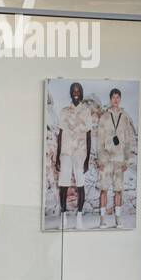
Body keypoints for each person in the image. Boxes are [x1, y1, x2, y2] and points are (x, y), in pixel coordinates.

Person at [93, 87, 137, 228]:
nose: (116, 100)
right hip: (106, 158)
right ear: (110, 99)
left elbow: (129, 140)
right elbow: (99, 139)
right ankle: (102, 220)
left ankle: (118, 220)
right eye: (113, 97)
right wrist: (99, 159)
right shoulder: (104, 117)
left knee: (118, 190)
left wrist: (126, 160)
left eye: (118, 97)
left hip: (119, 159)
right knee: (104, 189)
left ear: (120, 99)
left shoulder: (125, 117)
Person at [55, 81, 94, 230]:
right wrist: (58, 156)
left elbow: (89, 135)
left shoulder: (86, 111)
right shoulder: (64, 111)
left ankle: (79, 218)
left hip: (80, 153)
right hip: (66, 152)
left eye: (78, 90)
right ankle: (63, 217)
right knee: (63, 185)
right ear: (71, 93)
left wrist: (87, 159)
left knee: (80, 184)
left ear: (81, 92)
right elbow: (60, 134)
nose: (75, 92)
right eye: (73, 90)